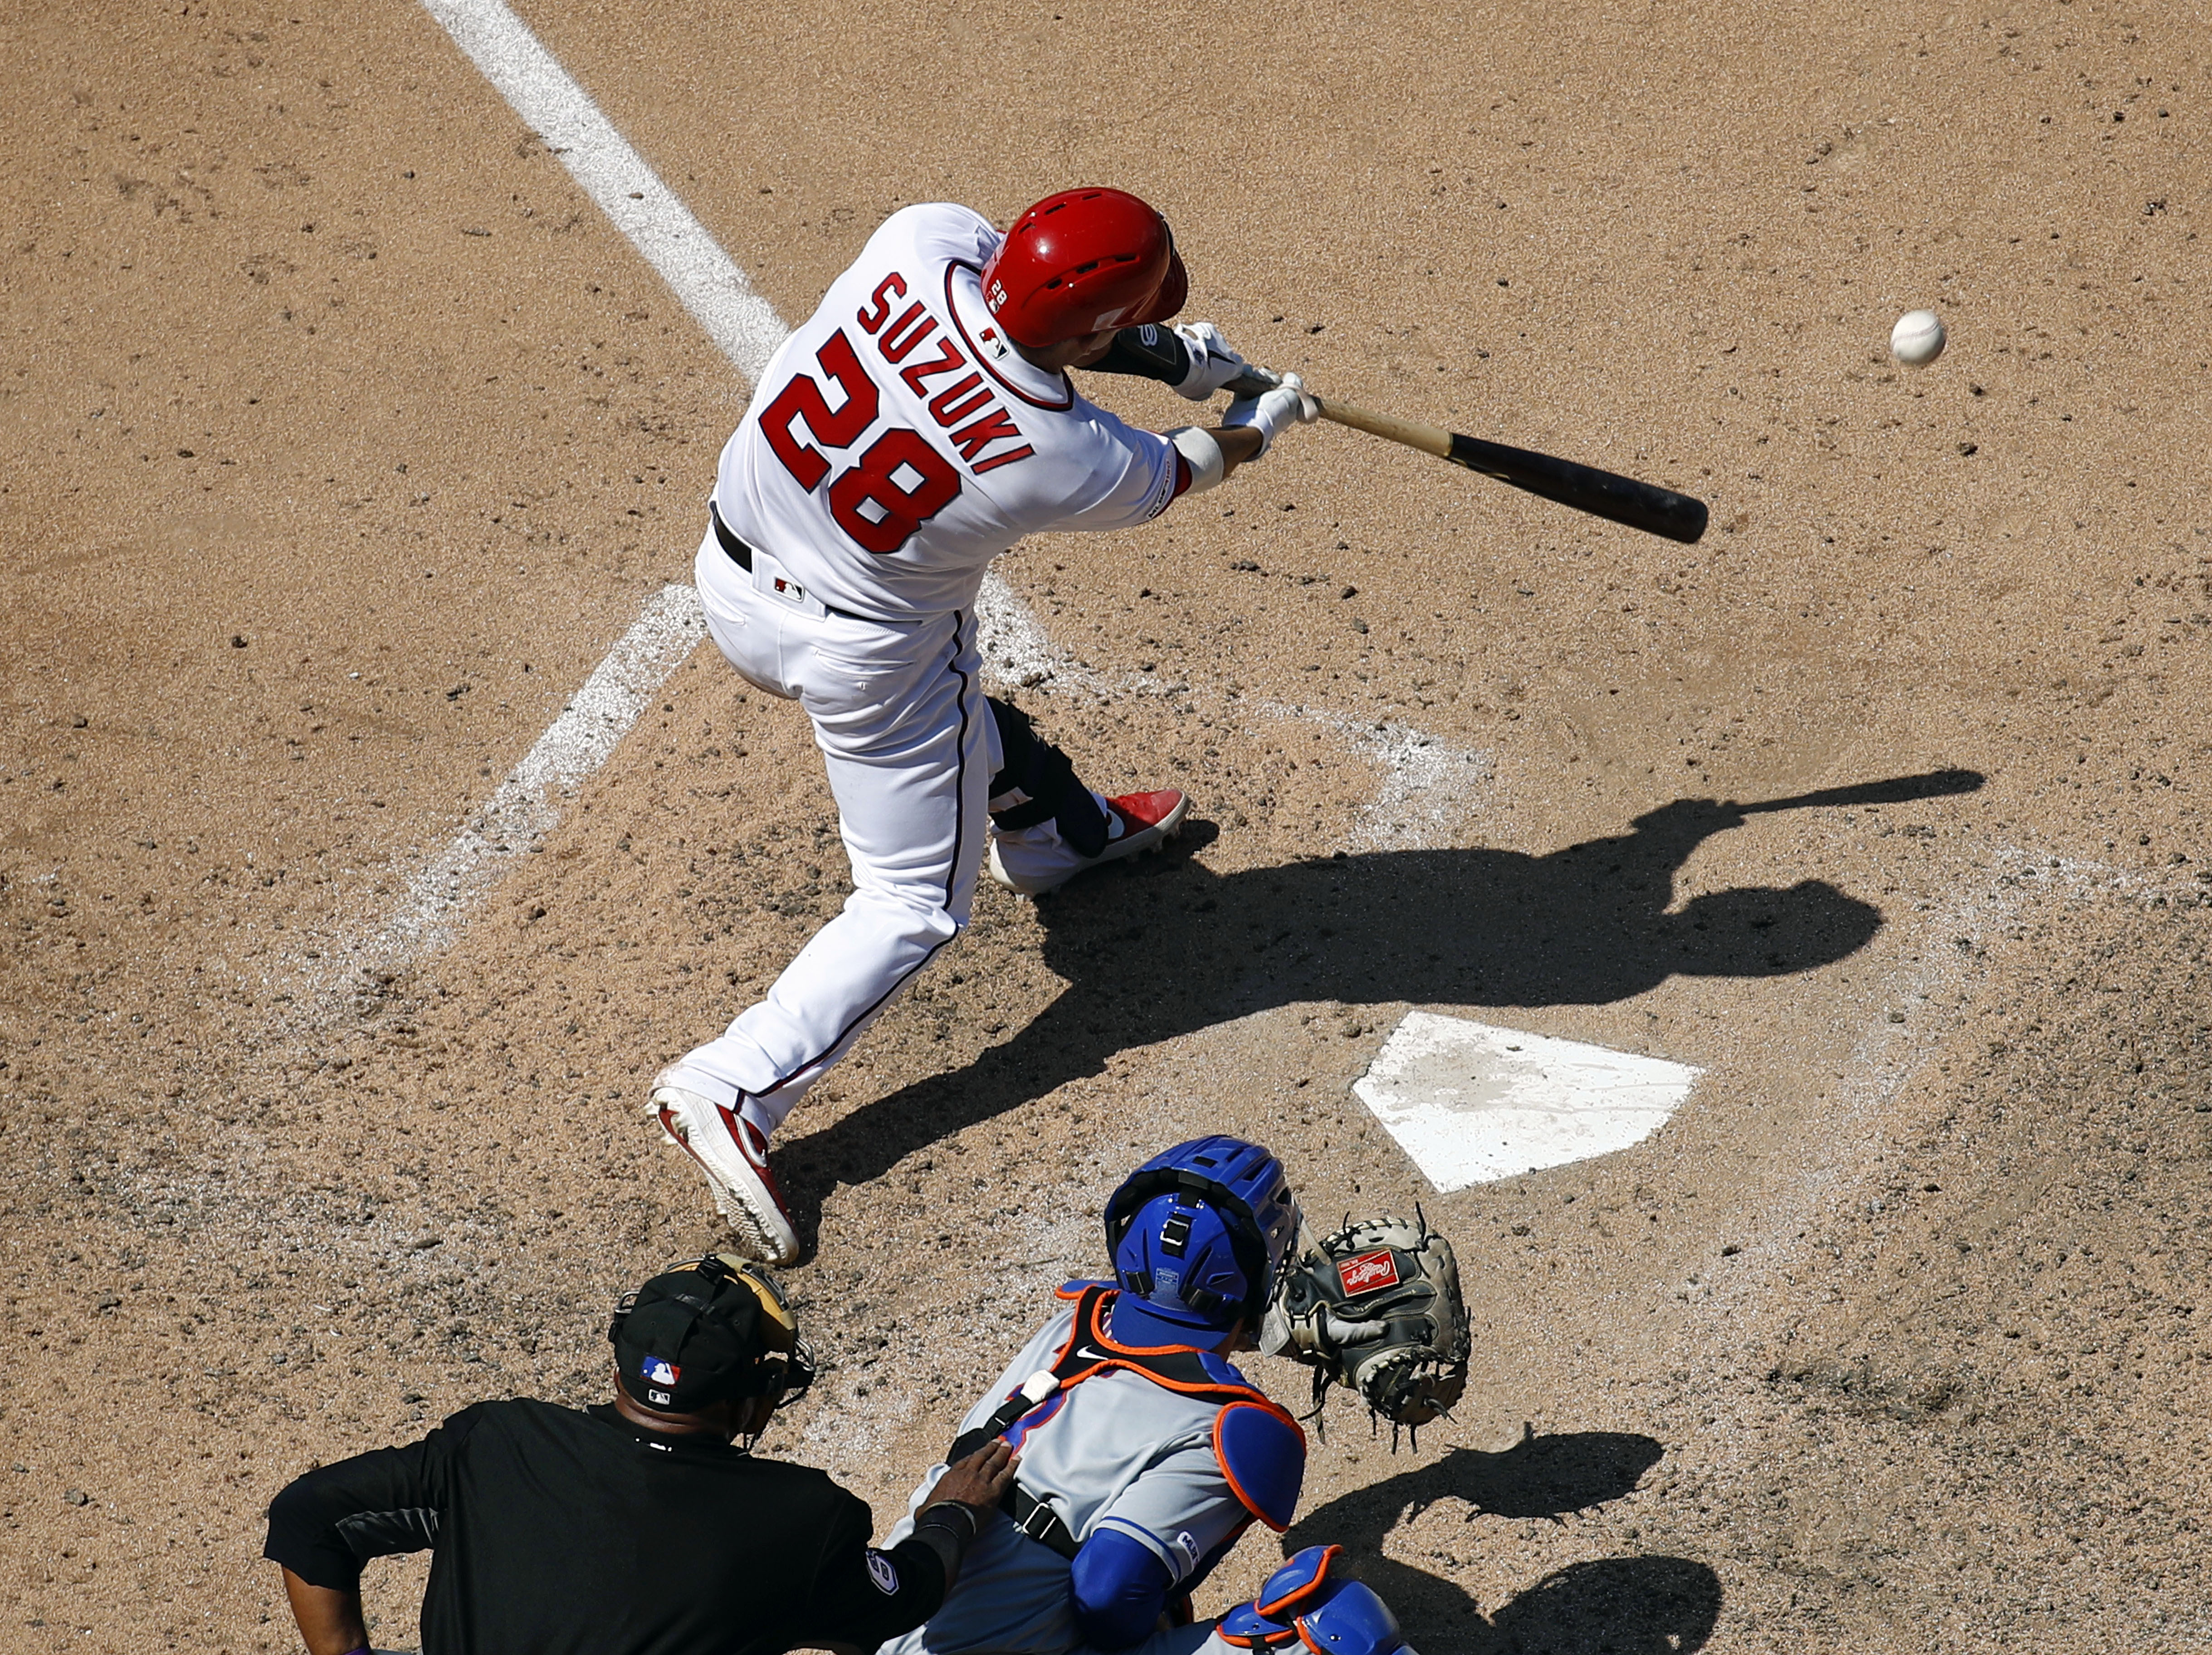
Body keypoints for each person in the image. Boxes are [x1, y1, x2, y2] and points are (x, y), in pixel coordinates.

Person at [649, 186, 1318, 1266]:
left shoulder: (916, 242)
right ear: (1098, 330)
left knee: (952, 726)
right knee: (911, 902)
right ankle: (733, 1085)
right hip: (864, 660)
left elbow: (1024, 313)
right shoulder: (1064, 456)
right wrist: (1254, 423)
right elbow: (1181, 467)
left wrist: (1170, 356)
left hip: (731, 576)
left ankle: (1054, 834)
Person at [262, 1254, 1018, 1655]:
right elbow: (908, 1595)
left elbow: (309, 1516)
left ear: (620, 1366)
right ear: (752, 1401)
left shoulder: (495, 1443)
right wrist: (951, 1514)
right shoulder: (803, 1517)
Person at [868, 1136, 1416, 1655]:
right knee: (1338, 1628)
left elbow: (1165, 1327)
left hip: (890, 1618)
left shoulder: (1070, 1324)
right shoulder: (1234, 1431)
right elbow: (1106, 1597)